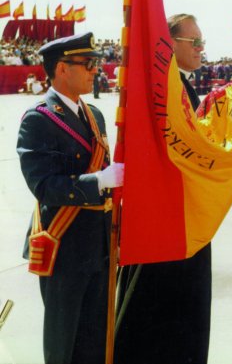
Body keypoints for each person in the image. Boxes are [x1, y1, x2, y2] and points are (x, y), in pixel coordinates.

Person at [17, 32, 124, 364]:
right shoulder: (38, 120)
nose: (96, 70)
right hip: (65, 246)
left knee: (97, 339)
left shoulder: (95, 114)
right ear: (62, 69)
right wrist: (98, 181)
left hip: (99, 244)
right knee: (65, 343)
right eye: (88, 64)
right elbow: (44, 185)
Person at [114, 14, 211, 364]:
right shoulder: (164, 90)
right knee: (158, 318)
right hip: (167, 219)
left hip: (183, 213)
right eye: (195, 42)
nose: (201, 49)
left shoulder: (181, 87)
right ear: (170, 45)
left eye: (202, 41)